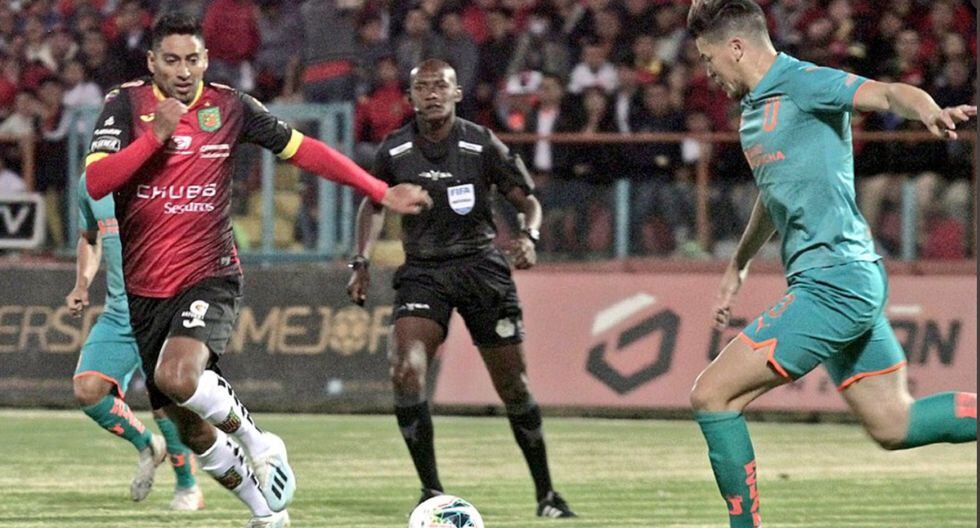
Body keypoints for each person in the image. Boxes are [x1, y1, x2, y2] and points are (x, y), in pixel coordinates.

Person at [83, 13, 431, 528]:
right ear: (152, 62)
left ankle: (260, 441)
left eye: (193, 59)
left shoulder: (230, 107)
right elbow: (97, 183)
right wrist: (154, 136)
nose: (184, 71)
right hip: (145, 288)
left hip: (209, 271)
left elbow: (304, 150)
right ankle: (267, 514)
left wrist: (378, 190)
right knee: (189, 425)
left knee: (177, 375)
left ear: (207, 59)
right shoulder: (125, 105)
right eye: (172, 60)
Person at [684, 2, 978, 527]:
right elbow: (774, 194)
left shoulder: (802, 82)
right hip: (845, 279)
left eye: (709, 58)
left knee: (712, 395)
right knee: (895, 424)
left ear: (737, 47)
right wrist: (740, 264)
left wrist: (929, 110)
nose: (707, 72)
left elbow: (887, 93)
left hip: (835, 283)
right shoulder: (753, 113)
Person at [346, 59, 576, 519]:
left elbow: (528, 201)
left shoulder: (481, 142)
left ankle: (547, 494)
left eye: (441, 86)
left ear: (457, 94)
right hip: (423, 270)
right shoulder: (394, 149)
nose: (432, 93)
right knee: (405, 371)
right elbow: (374, 205)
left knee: (513, 385)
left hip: (481, 268)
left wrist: (529, 237)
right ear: (410, 98)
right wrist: (361, 260)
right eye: (423, 87)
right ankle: (431, 491)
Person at [66, 174, 205, 511]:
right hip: (119, 313)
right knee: (88, 390)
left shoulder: (166, 176)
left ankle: (188, 487)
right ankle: (148, 445)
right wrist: (82, 283)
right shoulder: (92, 182)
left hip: (163, 307)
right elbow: (90, 239)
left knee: (164, 399)